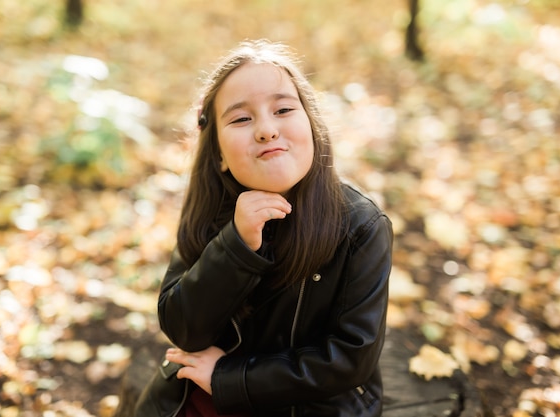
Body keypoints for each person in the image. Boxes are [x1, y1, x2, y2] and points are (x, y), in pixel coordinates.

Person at [135, 39, 393, 417]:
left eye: (284, 109)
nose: (267, 130)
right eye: (241, 119)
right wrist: (235, 246)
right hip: (208, 390)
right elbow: (183, 329)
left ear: (312, 125)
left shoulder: (361, 226)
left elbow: (349, 359)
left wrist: (230, 377)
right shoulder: (212, 211)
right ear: (219, 154)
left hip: (309, 405)